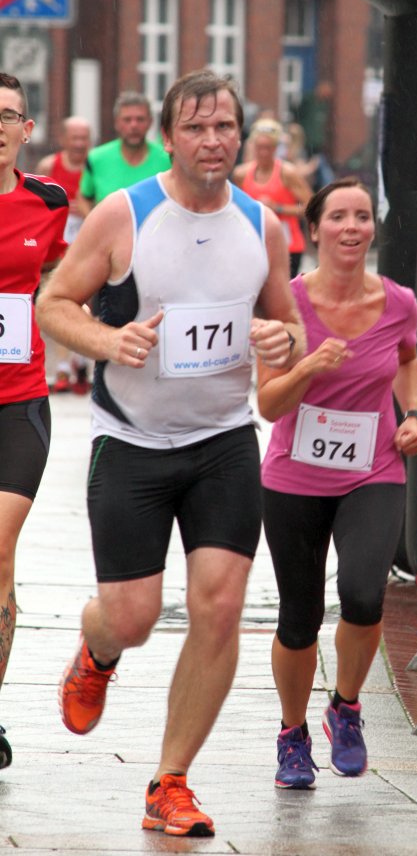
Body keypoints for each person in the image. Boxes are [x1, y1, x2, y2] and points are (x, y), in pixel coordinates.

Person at [36, 69, 304, 837]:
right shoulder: (125, 214)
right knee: (133, 616)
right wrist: (106, 340)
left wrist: (282, 341)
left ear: (239, 133)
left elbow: (288, 328)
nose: (212, 141)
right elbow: (55, 303)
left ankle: (170, 781)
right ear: (168, 137)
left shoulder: (263, 226)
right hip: (131, 441)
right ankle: (98, 649)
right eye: (195, 127)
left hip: (223, 442)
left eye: (223, 126)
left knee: (219, 608)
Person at [257, 176, 417, 790]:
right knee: (299, 617)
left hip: (373, 470)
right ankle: (292, 735)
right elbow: (269, 404)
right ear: (314, 229)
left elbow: (407, 361)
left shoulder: (400, 302)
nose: (352, 227)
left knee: (361, 594)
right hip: (294, 477)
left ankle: (346, 707)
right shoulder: (286, 306)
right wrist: (308, 364)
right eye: (338, 217)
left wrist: (414, 415)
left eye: (362, 216)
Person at [0, 73, 69, 768]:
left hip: (19, 403)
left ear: (26, 130)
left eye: (7, 115)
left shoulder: (49, 203)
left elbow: (65, 278)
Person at [36, 115, 93, 394]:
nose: (79, 144)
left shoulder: (95, 166)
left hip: (88, 239)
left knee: (85, 303)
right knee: (60, 301)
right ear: (63, 139)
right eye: (75, 138)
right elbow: (37, 202)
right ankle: (62, 368)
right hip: (59, 242)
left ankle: (79, 364)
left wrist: (87, 210)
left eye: (84, 138)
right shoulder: (50, 166)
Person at [233, 118, 313, 277]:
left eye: (268, 147)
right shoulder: (241, 174)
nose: (263, 152)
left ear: (276, 148)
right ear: (253, 146)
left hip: (287, 246)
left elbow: (311, 208)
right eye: (260, 147)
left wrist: (278, 208)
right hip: (255, 245)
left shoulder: (287, 173)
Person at [79, 91, 170, 213]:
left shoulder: (168, 158)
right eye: (127, 120)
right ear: (116, 123)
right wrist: (93, 220)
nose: (134, 125)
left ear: (150, 122)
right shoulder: (96, 158)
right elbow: (83, 197)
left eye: (140, 119)